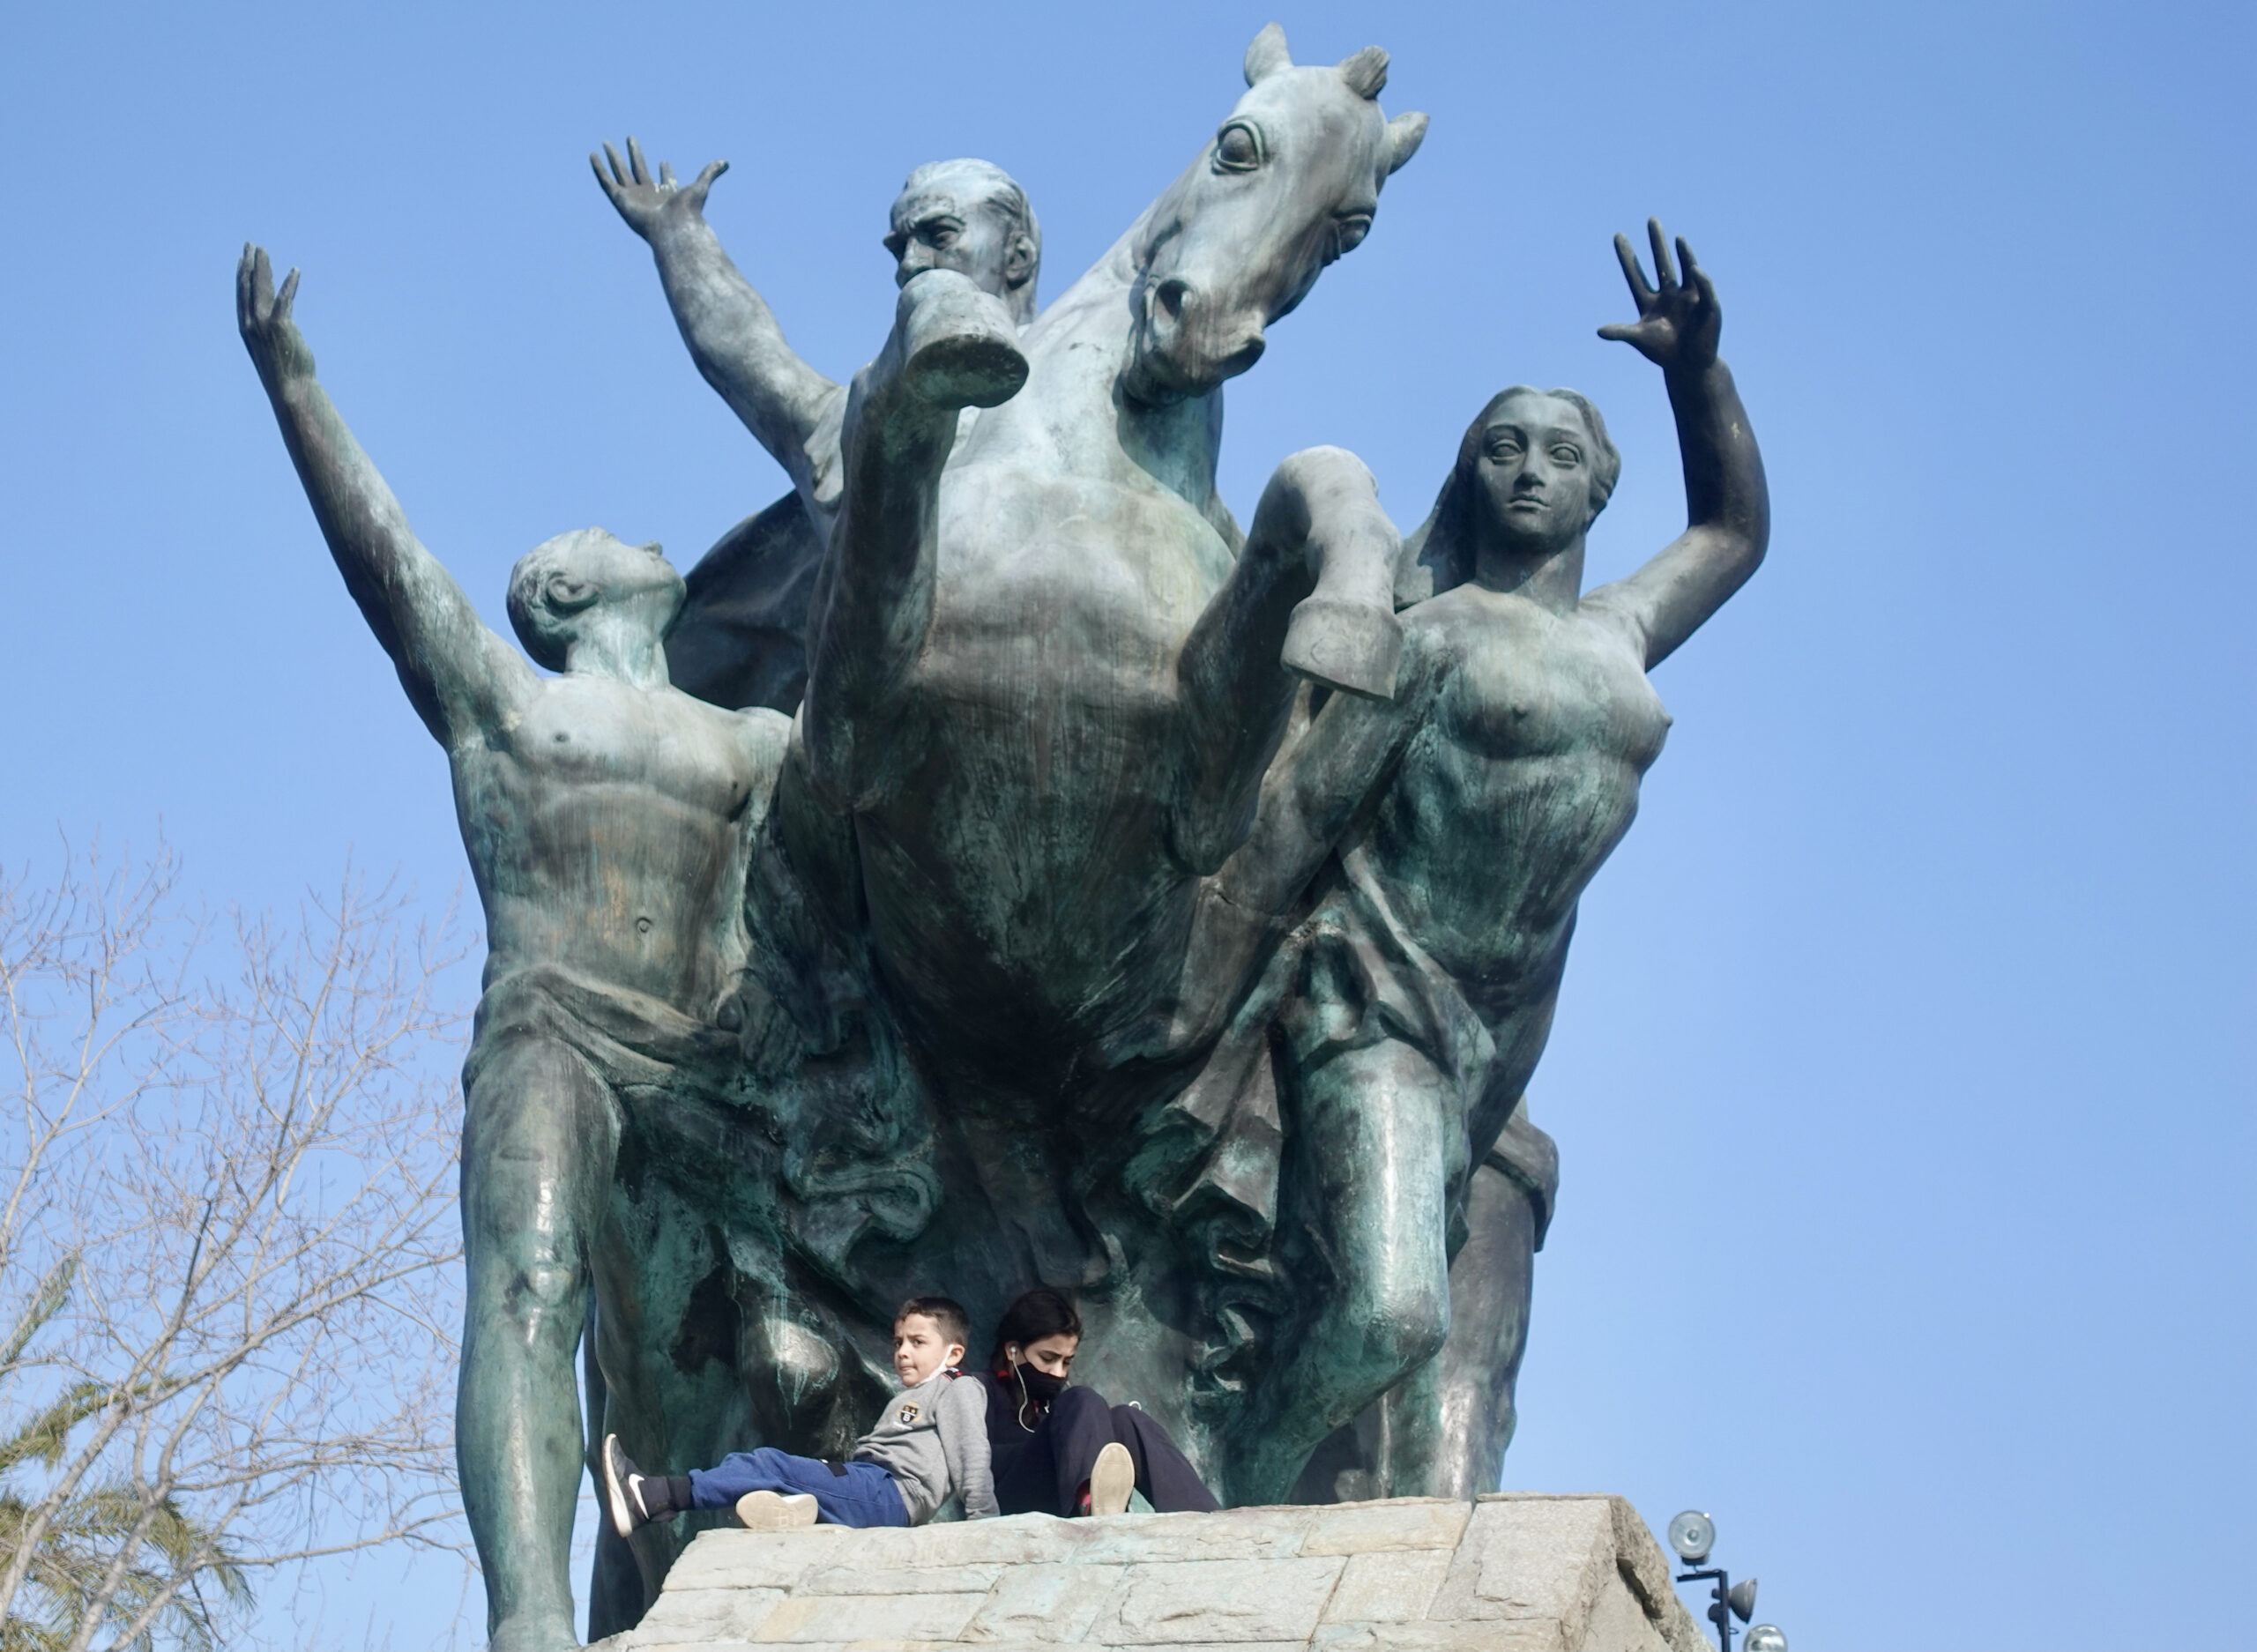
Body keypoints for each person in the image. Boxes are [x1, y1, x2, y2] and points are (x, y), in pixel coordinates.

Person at [235, 247, 793, 1652]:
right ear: (558, 591)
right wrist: (295, 385)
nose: (648, 534)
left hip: (713, 1073)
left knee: (720, 1368)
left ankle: (686, 1583)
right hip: (551, 1033)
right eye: (611, 532)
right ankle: (530, 1617)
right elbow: (388, 565)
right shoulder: (511, 705)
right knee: (534, 1290)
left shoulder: (752, 743)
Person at [1207, 220, 1770, 1503]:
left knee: (1447, 1354)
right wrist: (1201, 1017)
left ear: (1597, 489)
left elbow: (1735, 533)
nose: (1529, 470)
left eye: (1560, 453)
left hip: (1501, 1035)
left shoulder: (1623, 631)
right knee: (1391, 1314)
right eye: (1501, 448)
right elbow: (1299, 815)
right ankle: (1222, 1475)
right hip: (1377, 998)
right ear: (1469, 478)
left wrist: (1697, 379)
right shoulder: (1430, 634)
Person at [592, 141, 1042, 711]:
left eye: (939, 235)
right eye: (900, 246)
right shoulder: (854, 420)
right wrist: (676, 235)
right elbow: (752, 359)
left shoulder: (1105, 385)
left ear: (1017, 257)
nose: (909, 264)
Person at [602, 1298, 996, 1533]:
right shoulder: (916, 1394)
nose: (903, 1352)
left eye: (917, 1342)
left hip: (890, 1496)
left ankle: (653, 1497)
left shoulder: (957, 1387)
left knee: (769, 1463)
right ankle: (795, 1514)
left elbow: (972, 1456)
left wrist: (986, 1526)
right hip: (868, 1484)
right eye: (898, 1342)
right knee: (767, 1470)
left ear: (954, 1353)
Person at [974, 1289, 1219, 1518]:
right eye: (1048, 1358)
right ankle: (1090, 1503)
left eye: (1067, 1362)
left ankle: (1204, 1518)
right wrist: (1057, 1441)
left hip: (1059, 1500)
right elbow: (969, 1462)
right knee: (1083, 1399)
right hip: (1008, 1503)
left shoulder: (1055, 1402)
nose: (1058, 1373)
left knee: (1124, 1418)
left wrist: (1085, 1433)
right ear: (1013, 1350)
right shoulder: (978, 1390)